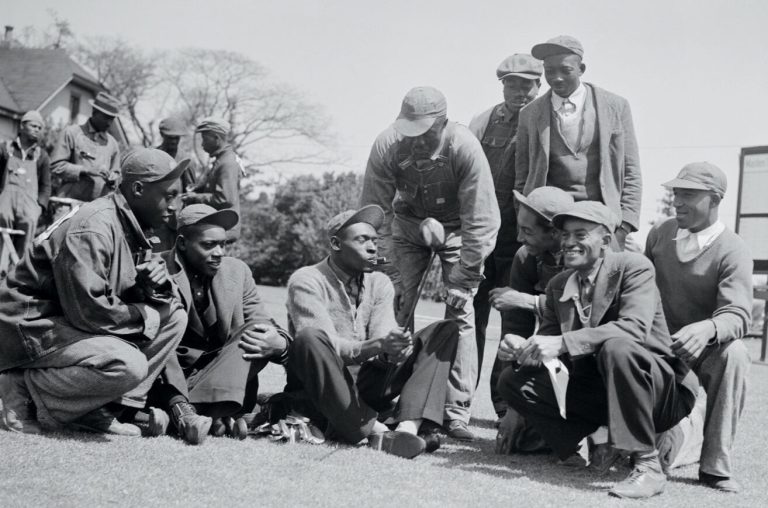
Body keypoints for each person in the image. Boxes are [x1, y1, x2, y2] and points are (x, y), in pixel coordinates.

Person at [497, 201, 698, 499]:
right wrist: (521, 349)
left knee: (617, 347)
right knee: (513, 379)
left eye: (580, 234)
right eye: (565, 235)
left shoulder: (634, 266)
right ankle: (580, 449)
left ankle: (648, 463)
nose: (569, 243)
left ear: (605, 241)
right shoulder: (558, 285)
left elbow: (633, 329)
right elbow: (550, 347)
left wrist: (563, 342)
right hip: (600, 391)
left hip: (659, 393)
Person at [0, 148, 189, 437]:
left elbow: (119, 291)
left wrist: (156, 287)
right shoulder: (95, 226)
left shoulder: (131, 223)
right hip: (29, 326)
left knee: (174, 316)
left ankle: (99, 408)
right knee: (128, 363)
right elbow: (89, 312)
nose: (176, 205)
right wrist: (146, 315)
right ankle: (20, 388)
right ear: (138, 189)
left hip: (64, 323)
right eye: (170, 195)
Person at [360, 87, 500, 440]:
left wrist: (464, 279)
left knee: (460, 314)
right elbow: (373, 214)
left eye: (425, 133)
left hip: (458, 230)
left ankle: (455, 411)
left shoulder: (464, 146)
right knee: (394, 307)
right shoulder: (386, 144)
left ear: (443, 122)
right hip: (406, 226)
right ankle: (392, 396)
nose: (417, 142)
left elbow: (481, 221)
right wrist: (385, 270)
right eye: (410, 133)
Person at [286, 206, 460, 459]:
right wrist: (378, 345)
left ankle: (407, 428)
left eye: (374, 241)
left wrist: (395, 349)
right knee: (310, 338)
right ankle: (375, 431)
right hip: (324, 387)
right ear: (336, 244)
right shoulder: (307, 280)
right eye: (362, 240)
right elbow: (328, 348)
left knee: (445, 330)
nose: (372, 247)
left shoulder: (380, 282)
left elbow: (384, 343)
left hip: (366, 383)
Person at [645, 162, 751, 493]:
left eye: (688, 194)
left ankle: (715, 467)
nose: (677, 201)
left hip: (704, 350)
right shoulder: (660, 234)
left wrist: (708, 329)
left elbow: (738, 313)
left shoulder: (733, 249)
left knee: (734, 354)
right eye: (676, 193)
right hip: (658, 347)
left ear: (715, 199)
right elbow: (640, 289)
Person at [150, 204, 291, 443]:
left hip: (223, 372)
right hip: (170, 376)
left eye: (223, 244)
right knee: (156, 333)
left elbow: (259, 318)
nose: (219, 252)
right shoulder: (156, 269)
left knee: (255, 332)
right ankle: (211, 414)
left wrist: (280, 343)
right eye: (208, 245)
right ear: (182, 243)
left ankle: (181, 415)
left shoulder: (238, 271)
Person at [515, 35, 642, 250]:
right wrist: (529, 228)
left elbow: (631, 171)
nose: (557, 78)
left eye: (565, 70)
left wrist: (625, 226)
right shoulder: (530, 114)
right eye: (550, 71)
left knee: (629, 270)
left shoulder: (615, 106)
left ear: (581, 68)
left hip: (603, 224)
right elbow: (521, 177)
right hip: (550, 229)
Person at [468, 54, 542, 382]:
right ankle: (456, 403)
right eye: (512, 84)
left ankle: (504, 404)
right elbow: (466, 174)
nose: (519, 91)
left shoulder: (545, 123)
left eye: (526, 85)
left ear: (538, 86)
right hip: (482, 235)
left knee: (514, 319)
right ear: (502, 86)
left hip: (520, 237)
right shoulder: (482, 122)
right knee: (469, 317)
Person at [488, 186, 573, 434]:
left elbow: (583, 315)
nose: (519, 238)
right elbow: (515, 328)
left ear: (555, 233)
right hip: (551, 356)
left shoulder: (587, 258)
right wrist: (509, 407)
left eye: (527, 231)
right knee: (520, 440)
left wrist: (528, 301)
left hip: (589, 359)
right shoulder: (526, 257)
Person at [50, 91, 121, 202]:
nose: (109, 123)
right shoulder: (72, 133)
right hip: (70, 205)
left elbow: (117, 173)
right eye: (106, 117)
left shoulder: (112, 144)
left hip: (97, 209)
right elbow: (56, 166)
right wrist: (85, 170)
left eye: (112, 119)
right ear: (94, 112)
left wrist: (114, 178)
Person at [181, 117, 242, 243]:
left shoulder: (227, 163)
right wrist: (197, 189)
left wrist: (194, 197)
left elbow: (225, 199)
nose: (202, 144)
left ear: (216, 138)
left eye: (204, 139)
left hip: (224, 228)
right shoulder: (222, 160)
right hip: (218, 226)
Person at [0, 110, 51, 258]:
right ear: (22, 126)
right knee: (2, 242)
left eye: (40, 128)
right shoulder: (5, 149)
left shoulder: (41, 156)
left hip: (29, 208)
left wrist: (39, 207)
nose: (37, 130)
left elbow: (46, 186)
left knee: (25, 250)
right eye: (33, 126)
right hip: (5, 206)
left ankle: (17, 278)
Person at [156, 117, 200, 191]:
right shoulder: (153, 155)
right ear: (162, 134)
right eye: (170, 138)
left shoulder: (186, 160)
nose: (173, 141)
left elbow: (190, 190)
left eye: (176, 138)